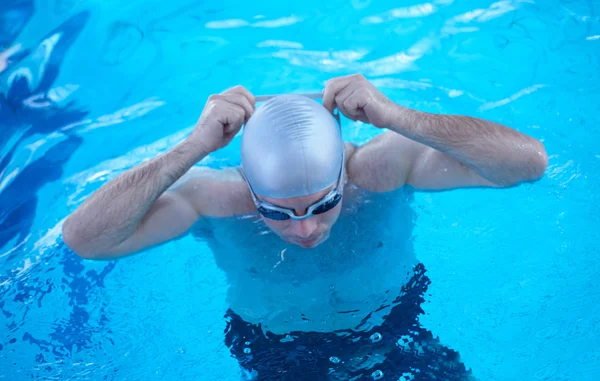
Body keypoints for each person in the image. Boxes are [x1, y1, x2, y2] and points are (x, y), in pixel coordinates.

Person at [62, 74, 547, 380]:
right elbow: (85, 239)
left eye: (325, 203)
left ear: (343, 171)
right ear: (249, 187)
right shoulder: (212, 197)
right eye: (276, 212)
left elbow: (528, 163)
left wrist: (396, 117)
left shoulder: (380, 168)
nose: (306, 230)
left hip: (395, 324)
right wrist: (192, 148)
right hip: (280, 353)